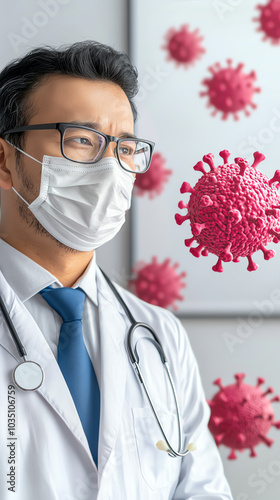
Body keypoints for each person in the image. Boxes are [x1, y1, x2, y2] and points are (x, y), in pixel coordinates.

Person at [0, 41, 233, 499]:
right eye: (82, 140)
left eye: (125, 148)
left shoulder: (159, 335)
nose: (110, 169)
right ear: (5, 160)